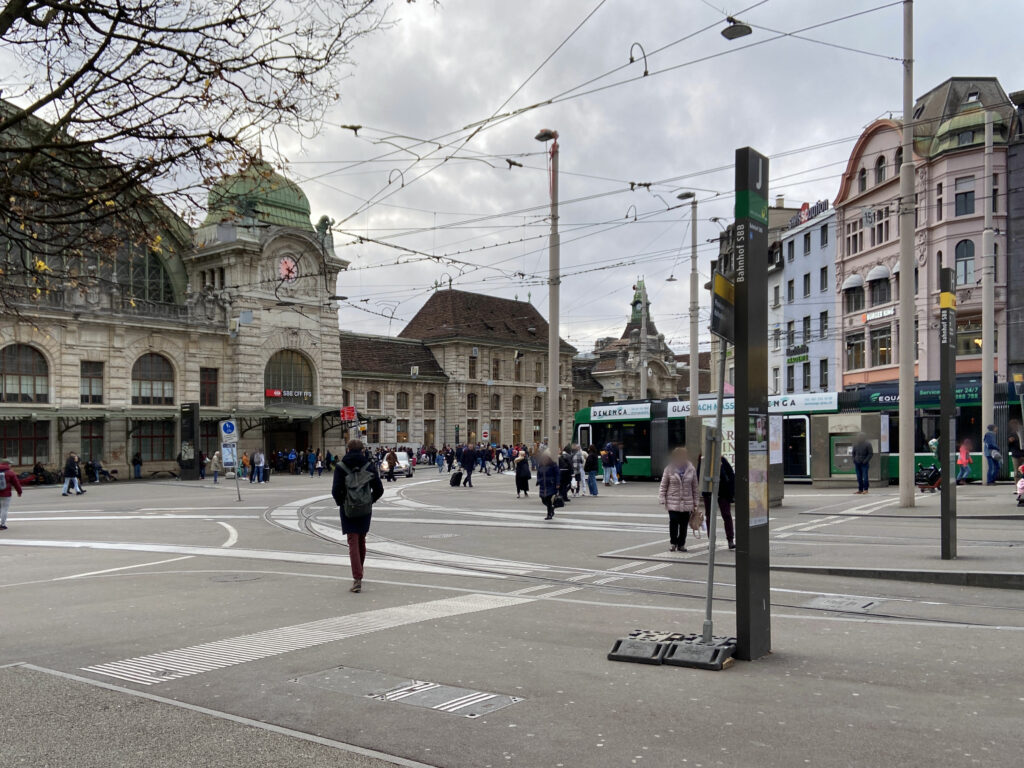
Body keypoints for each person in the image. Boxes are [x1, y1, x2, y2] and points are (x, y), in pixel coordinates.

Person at [332, 439, 384, 594]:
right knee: (361, 539)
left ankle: (357, 578)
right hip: (365, 509)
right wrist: (370, 500)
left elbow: (335, 490)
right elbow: (379, 489)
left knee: (352, 541)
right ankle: (359, 573)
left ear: (348, 450)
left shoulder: (341, 467)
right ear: (363, 450)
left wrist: (342, 502)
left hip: (348, 508)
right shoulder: (369, 465)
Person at [659, 447, 699, 552]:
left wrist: (696, 502)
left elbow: (695, 486)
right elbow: (663, 485)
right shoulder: (669, 469)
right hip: (673, 500)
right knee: (673, 522)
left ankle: (681, 544)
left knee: (684, 524)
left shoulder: (691, 469)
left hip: (687, 501)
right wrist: (662, 497)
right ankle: (673, 543)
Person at [697, 453, 736, 550]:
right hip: (709, 492)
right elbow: (699, 476)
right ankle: (711, 541)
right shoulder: (703, 461)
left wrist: (731, 493)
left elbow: (731, 476)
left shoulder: (722, 461)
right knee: (710, 516)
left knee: (726, 515)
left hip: (722, 492)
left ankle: (730, 540)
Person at [0, 457, 24, 530]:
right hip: (6, 494)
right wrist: (19, 492)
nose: (11, 465)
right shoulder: (10, 473)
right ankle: (2, 525)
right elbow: (16, 483)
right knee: (4, 509)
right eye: (10, 464)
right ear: (7, 464)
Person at [536, 450, 560, 520]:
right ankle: (551, 509)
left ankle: (549, 514)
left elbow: (557, 474)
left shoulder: (553, 464)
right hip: (543, 484)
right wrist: (538, 480)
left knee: (548, 499)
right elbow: (538, 473)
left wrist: (558, 483)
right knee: (543, 498)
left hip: (550, 484)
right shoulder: (541, 464)